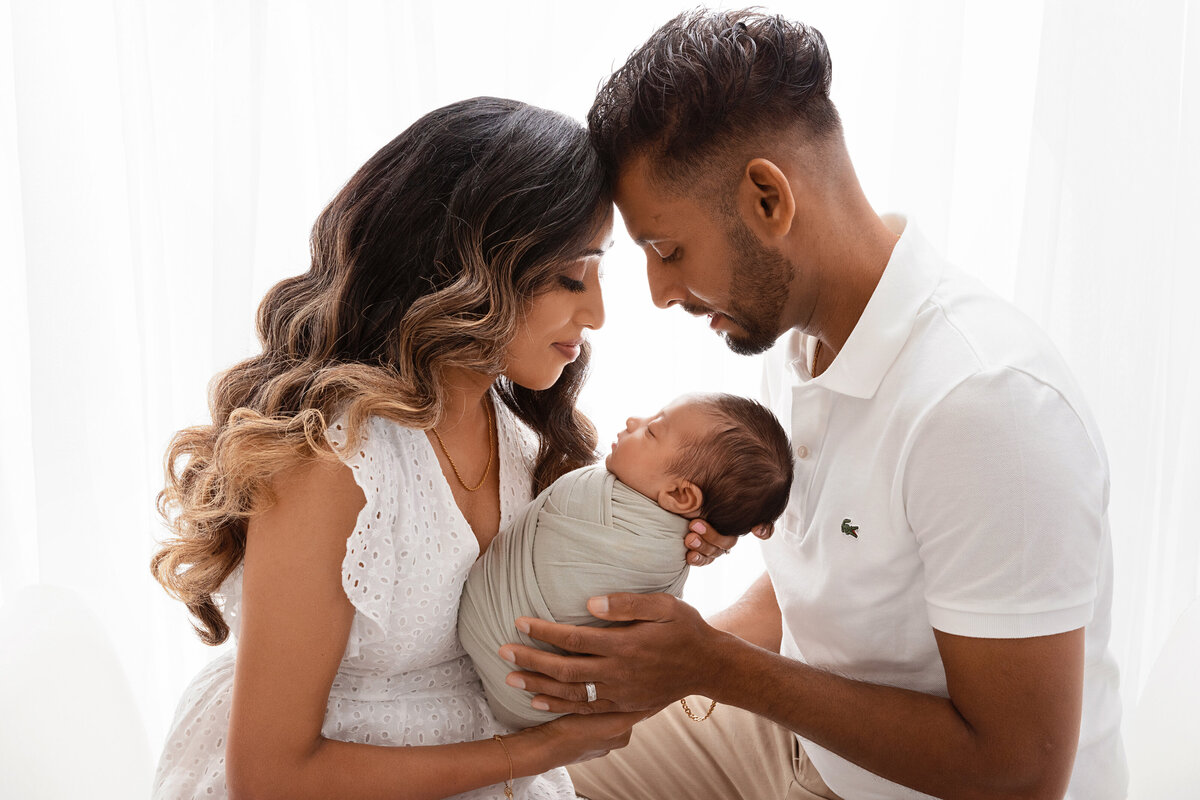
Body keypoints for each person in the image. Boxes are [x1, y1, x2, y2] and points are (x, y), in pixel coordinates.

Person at [500, 10, 1126, 800]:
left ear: (768, 199)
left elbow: (1019, 771)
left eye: (668, 251)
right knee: (523, 767)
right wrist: (659, 660)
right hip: (792, 738)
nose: (658, 294)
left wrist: (709, 666)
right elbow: (832, 590)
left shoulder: (984, 406)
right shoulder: (801, 341)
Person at [147, 97, 731, 800]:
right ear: (470, 265)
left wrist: (660, 543)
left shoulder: (513, 434)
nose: (597, 314)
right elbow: (269, 779)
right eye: (571, 276)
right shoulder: (334, 465)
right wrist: (536, 750)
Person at [460, 392, 793, 728]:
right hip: (527, 705)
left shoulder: (619, 518)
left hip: (525, 679)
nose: (634, 421)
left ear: (680, 494)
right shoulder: (675, 534)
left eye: (651, 431)